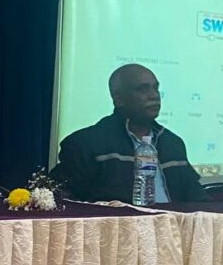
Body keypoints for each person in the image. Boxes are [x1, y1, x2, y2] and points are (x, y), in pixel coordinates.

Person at [50, 64, 208, 203]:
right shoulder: (85, 144)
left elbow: (197, 199)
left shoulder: (173, 143)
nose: (154, 95)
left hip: (171, 226)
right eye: (143, 89)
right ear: (118, 98)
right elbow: (64, 202)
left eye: (155, 88)